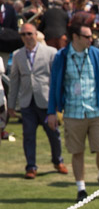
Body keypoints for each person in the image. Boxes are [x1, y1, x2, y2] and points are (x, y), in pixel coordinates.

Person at [47, 19, 99, 202]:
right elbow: (54, 85)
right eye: (87, 36)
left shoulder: (97, 55)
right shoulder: (61, 56)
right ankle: (81, 189)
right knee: (77, 151)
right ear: (75, 37)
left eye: (91, 36)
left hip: (97, 111)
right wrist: (51, 112)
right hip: (72, 112)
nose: (91, 40)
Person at [9, 23, 67, 178]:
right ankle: (31, 166)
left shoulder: (50, 52)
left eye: (29, 34)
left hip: (47, 101)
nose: (27, 37)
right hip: (27, 102)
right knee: (28, 135)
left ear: (36, 34)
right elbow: (14, 81)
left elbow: (58, 79)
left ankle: (58, 160)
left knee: (54, 134)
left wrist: (58, 102)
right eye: (23, 34)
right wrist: (11, 105)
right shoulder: (17, 55)